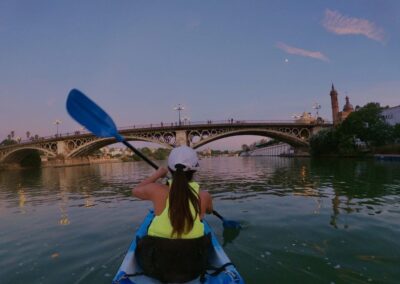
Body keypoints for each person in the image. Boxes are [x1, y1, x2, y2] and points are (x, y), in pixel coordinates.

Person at [132, 145, 213, 283]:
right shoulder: (204, 196)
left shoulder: (156, 190)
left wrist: (158, 174)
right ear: (195, 170)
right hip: (193, 267)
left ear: (170, 169)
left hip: (155, 266)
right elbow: (210, 211)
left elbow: (135, 190)